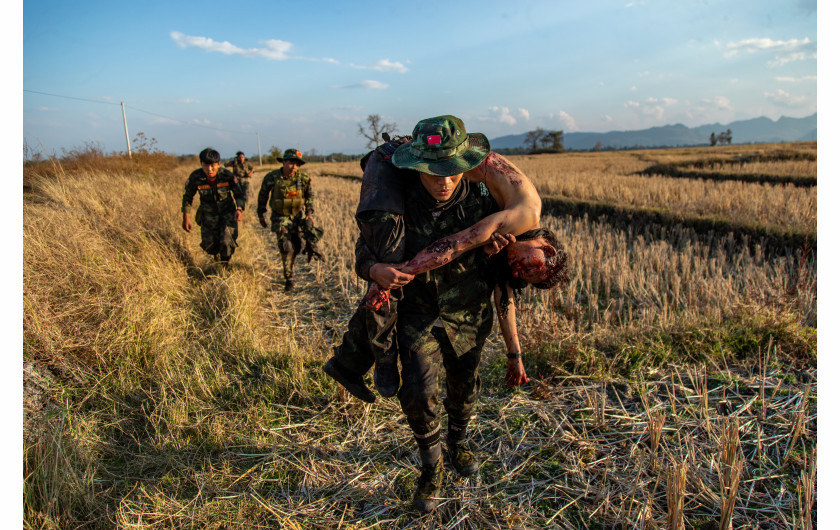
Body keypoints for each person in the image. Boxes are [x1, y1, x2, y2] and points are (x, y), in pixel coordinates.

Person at [325, 115, 569, 512]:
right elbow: (364, 250)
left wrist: (514, 350)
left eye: (452, 172)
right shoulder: (398, 200)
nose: (444, 182)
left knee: (464, 390)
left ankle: (458, 443)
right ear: (417, 167)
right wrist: (374, 271)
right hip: (418, 315)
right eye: (433, 173)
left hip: (468, 319)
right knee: (418, 395)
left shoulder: (486, 203)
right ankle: (431, 468)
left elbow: (497, 281)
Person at [256, 148, 324, 291]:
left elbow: (309, 196)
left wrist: (309, 213)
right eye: (291, 163)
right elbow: (263, 196)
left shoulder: (303, 178)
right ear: (284, 162)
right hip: (280, 217)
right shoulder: (272, 177)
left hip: (297, 217)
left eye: (297, 164)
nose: (294, 167)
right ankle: (289, 278)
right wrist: (261, 213)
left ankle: (291, 268)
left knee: (297, 246)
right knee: (286, 247)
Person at [181, 147, 245, 265]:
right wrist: (186, 217)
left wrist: (239, 209)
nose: (209, 169)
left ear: (219, 164)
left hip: (227, 213)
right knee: (209, 246)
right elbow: (187, 197)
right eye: (206, 165)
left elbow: (239, 194)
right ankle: (217, 256)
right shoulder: (196, 177)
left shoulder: (227, 175)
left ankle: (224, 264)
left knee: (226, 242)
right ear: (201, 164)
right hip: (208, 215)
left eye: (213, 165)